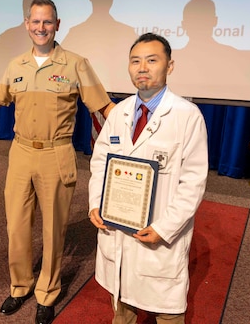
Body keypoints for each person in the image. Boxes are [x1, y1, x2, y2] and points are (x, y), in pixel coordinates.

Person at [0, 0, 115, 324]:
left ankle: (47, 291)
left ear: (57, 25)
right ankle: (20, 286)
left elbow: (104, 108)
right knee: (16, 226)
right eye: (35, 22)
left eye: (47, 22)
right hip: (20, 153)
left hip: (56, 153)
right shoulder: (15, 65)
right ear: (26, 24)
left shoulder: (75, 64)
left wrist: (138, 127)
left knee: (53, 229)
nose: (41, 28)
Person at [88, 33, 208, 324]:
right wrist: (95, 203)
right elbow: (100, 161)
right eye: (135, 61)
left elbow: (193, 182)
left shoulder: (186, 116)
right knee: (123, 307)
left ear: (170, 66)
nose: (142, 68)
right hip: (118, 229)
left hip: (158, 237)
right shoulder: (119, 114)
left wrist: (164, 229)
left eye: (152, 60)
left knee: (167, 311)